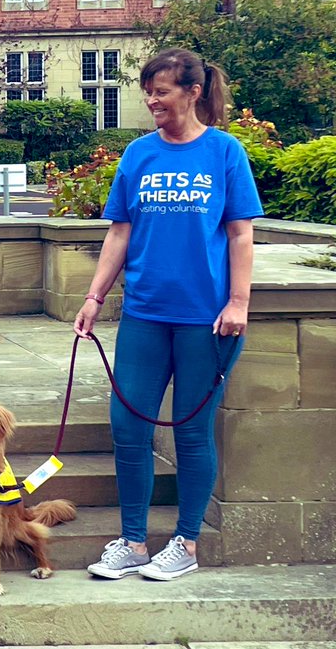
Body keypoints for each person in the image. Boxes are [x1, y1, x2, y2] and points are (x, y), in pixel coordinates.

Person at [77, 48, 261, 581]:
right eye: (148, 93)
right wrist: (94, 296)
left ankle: (186, 542)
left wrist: (239, 302)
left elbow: (240, 234)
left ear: (193, 92)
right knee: (127, 427)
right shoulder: (139, 154)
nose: (152, 101)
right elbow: (120, 231)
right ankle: (133, 542)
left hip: (207, 319)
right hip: (145, 314)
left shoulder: (224, 152)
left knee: (192, 433)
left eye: (161, 92)